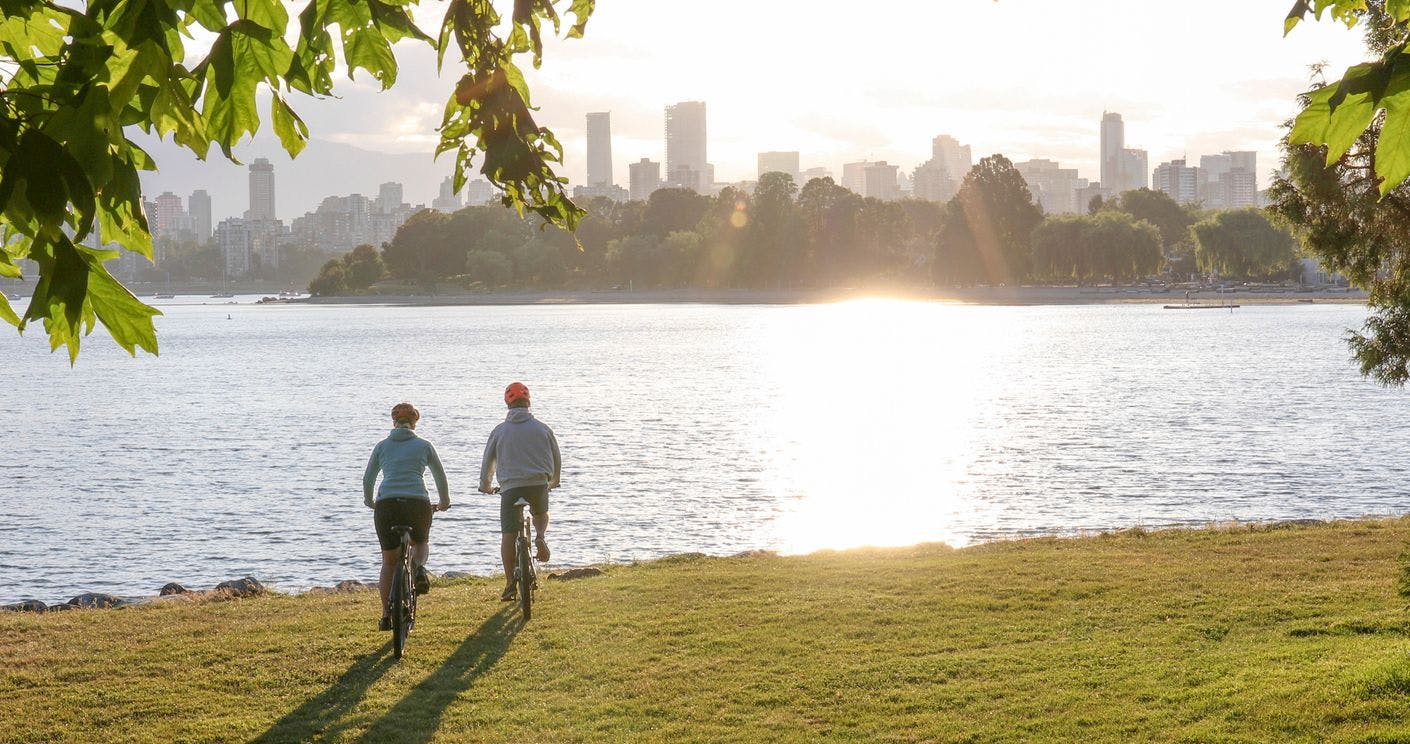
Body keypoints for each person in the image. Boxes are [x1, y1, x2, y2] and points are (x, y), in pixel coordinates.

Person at [364, 402, 450, 630]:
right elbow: (440, 477)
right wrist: (444, 502)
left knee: (389, 562)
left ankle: (385, 616)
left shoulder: (382, 446)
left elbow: (368, 479)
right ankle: (419, 567)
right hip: (417, 502)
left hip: (387, 505)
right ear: (414, 423)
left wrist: (370, 501)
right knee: (420, 541)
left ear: (394, 422)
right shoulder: (424, 445)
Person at [479, 382, 561, 601]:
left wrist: (485, 485)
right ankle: (541, 536)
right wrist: (554, 480)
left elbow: (488, 461)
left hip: (510, 487)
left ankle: (509, 585)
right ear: (529, 402)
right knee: (540, 513)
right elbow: (556, 457)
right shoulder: (543, 428)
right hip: (538, 483)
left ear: (508, 403)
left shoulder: (499, 431)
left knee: (508, 534)